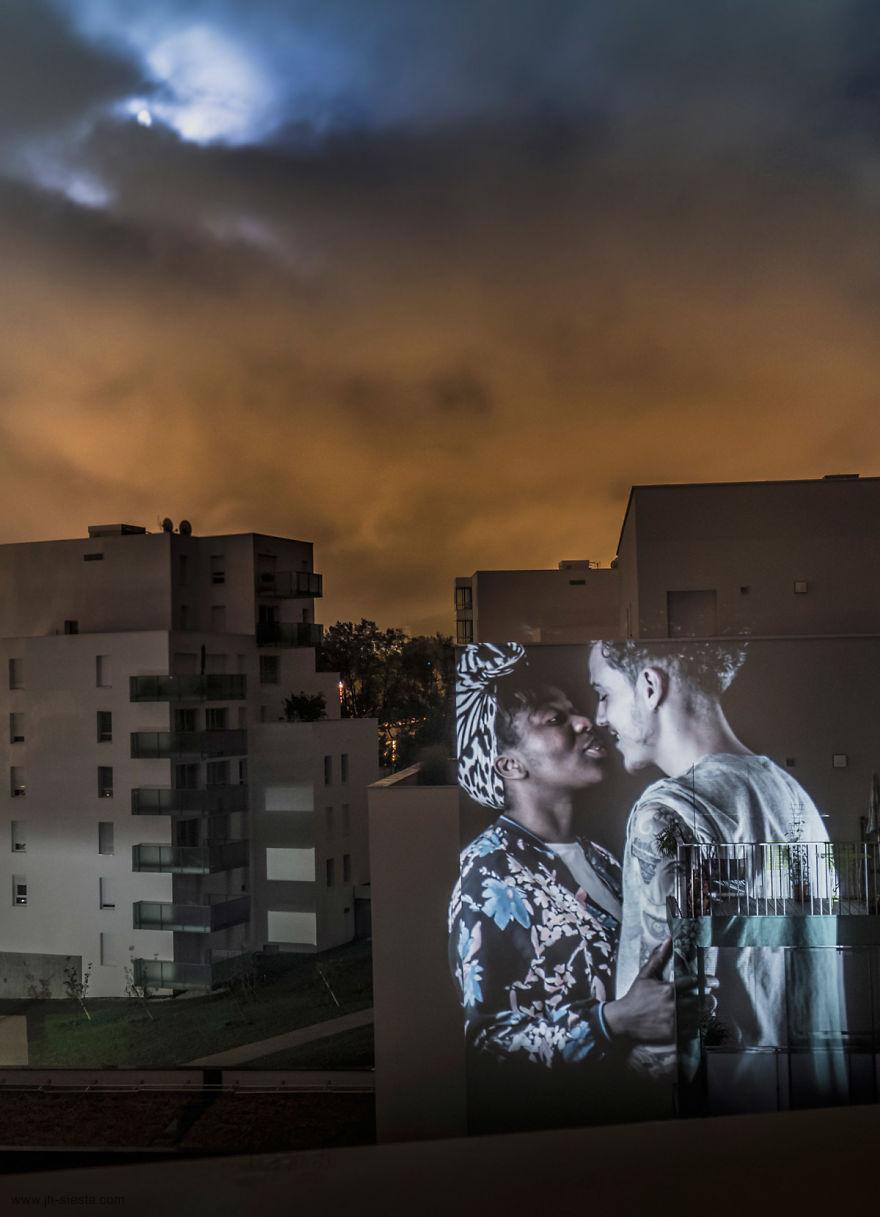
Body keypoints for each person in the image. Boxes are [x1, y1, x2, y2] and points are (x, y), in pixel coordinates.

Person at [588, 639, 844, 1103]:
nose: (600, 717)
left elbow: (663, 1048)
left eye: (604, 693)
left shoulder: (669, 811)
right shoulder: (794, 797)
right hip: (817, 1117)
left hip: (725, 1135)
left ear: (649, 687)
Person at [450, 643, 678, 1131]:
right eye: (554, 719)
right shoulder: (488, 874)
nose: (583, 721)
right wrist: (611, 1022)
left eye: (576, 709)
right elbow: (487, 1044)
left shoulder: (603, 858)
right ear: (510, 766)